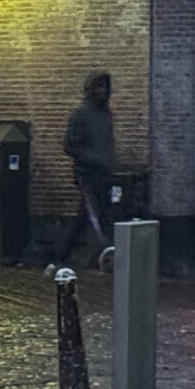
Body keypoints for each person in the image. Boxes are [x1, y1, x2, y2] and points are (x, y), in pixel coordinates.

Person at [57, 71, 119, 267]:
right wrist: (94, 158)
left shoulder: (106, 114)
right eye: (98, 87)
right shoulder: (81, 115)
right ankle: (106, 253)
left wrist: (110, 160)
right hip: (87, 174)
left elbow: (107, 141)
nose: (102, 91)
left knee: (89, 215)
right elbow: (69, 146)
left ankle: (61, 255)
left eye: (105, 87)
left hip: (104, 173)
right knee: (95, 214)